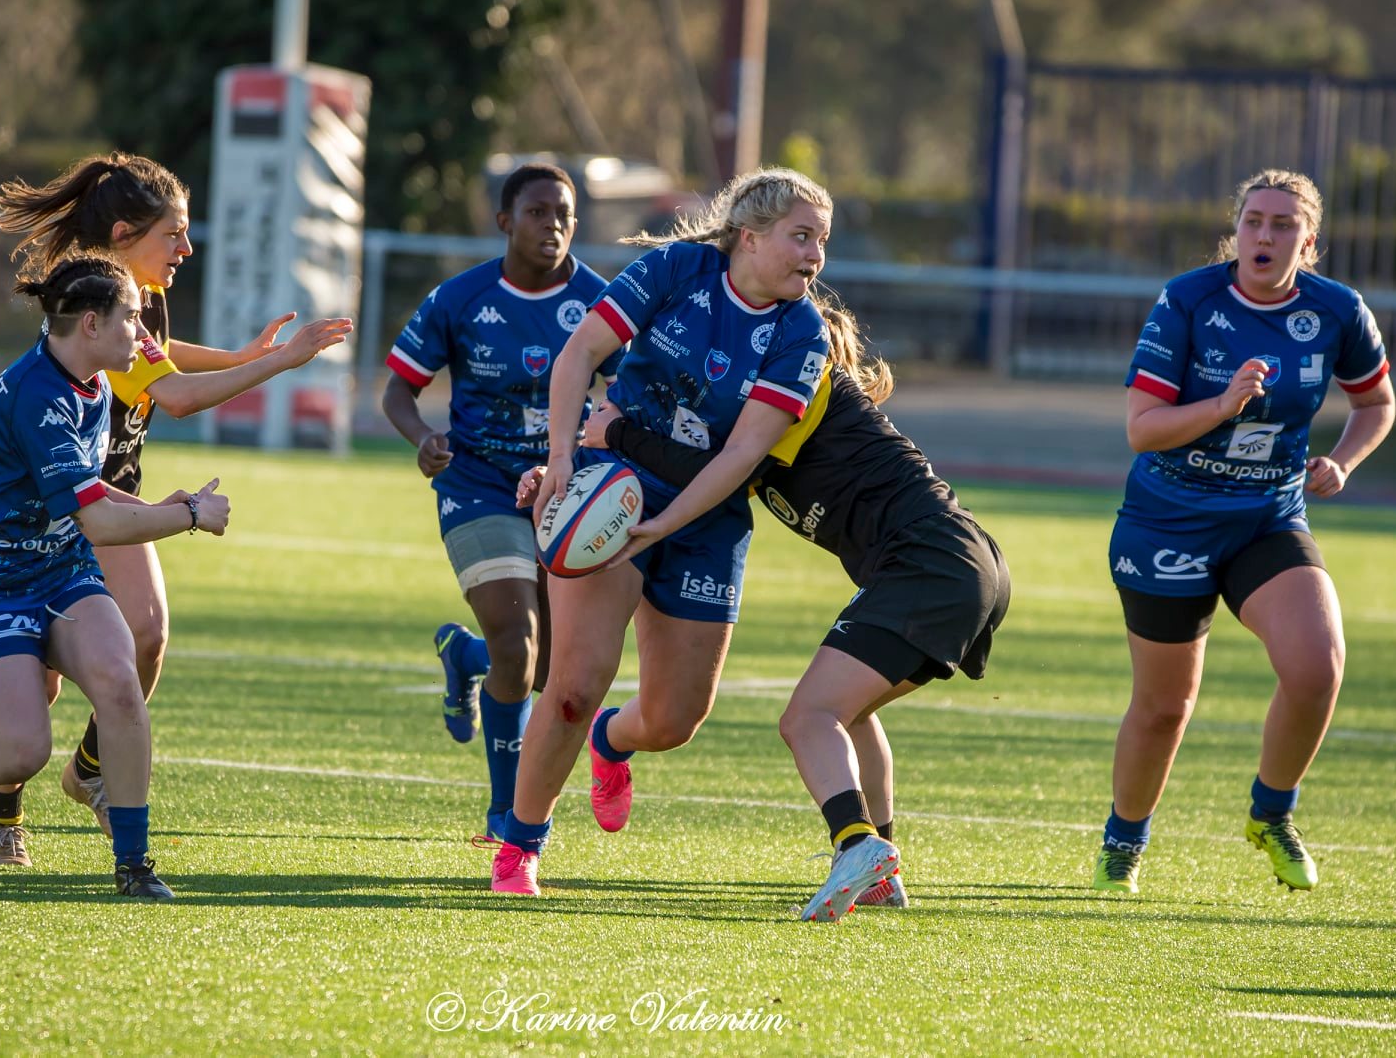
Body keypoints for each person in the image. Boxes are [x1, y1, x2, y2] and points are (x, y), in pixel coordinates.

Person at [567, 305, 1010, 918]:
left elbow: (721, 468)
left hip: (932, 562)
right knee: (847, 713)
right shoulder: (775, 416)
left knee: (808, 718)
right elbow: (710, 466)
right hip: (955, 562)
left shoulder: (810, 391)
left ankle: (854, 845)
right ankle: (881, 867)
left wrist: (615, 434)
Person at [0, 153, 350, 861]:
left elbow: (160, 356)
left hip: (112, 490)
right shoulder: (94, 300)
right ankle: (2, 807)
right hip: (54, 503)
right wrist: (281, 361)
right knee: (42, 678)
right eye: (173, 235)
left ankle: (87, 771)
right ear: (124, 232)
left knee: (147, 635)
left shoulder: (138, 292)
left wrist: (235, 355)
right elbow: (173, 396)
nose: (186, 248)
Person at [483, 168, 835, 897]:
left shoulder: (802, 332)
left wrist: (666, 524)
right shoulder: (677, 269)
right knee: (574, 684)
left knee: (675, 719)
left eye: (821, 242)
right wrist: (555, 461)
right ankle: (519, 845)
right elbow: (578, 354)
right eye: (801, 236)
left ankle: (615, 742)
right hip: (609, 481)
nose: (815, 255)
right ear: (749, 236)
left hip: (705, 516)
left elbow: (740, 455)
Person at [0, 254, 230, 898]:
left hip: (61, 570)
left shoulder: (87, 377)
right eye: (132, 321)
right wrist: (191, 516)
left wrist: (161, 508)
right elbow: (98, 523)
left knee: (121, 687)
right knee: (21, 750)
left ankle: (134, 864)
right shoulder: (40, 395)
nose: (143, 337)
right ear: (91, 323)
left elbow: (88, 499)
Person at [1094, 169, 1394, 894]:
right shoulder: (1187, 299)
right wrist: (1222, 406)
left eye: (1283, 223)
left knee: (1317, 666)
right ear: (1236, 229)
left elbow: (1375, 401)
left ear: (1308, 239)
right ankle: (1122, 840)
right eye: (1254, 220)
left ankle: (1270, 811)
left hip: (1267, 516)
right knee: (1165, 707)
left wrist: (1344, 461)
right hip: (1168, 517)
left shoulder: (1335, 309)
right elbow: (1141, 429)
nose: (1265, 235)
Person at [381, 163, 611, 839]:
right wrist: (423, 436)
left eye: (564, 214)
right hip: (477, 483)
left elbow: (629, 389)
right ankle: (506, 815)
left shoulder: (602, 303)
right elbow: (398, 388)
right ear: (505, 220)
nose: (554, 226)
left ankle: (467, 657)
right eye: (538, 212)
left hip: (564, 488)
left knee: (548, 669)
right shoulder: (459, 297)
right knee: (522, 640)